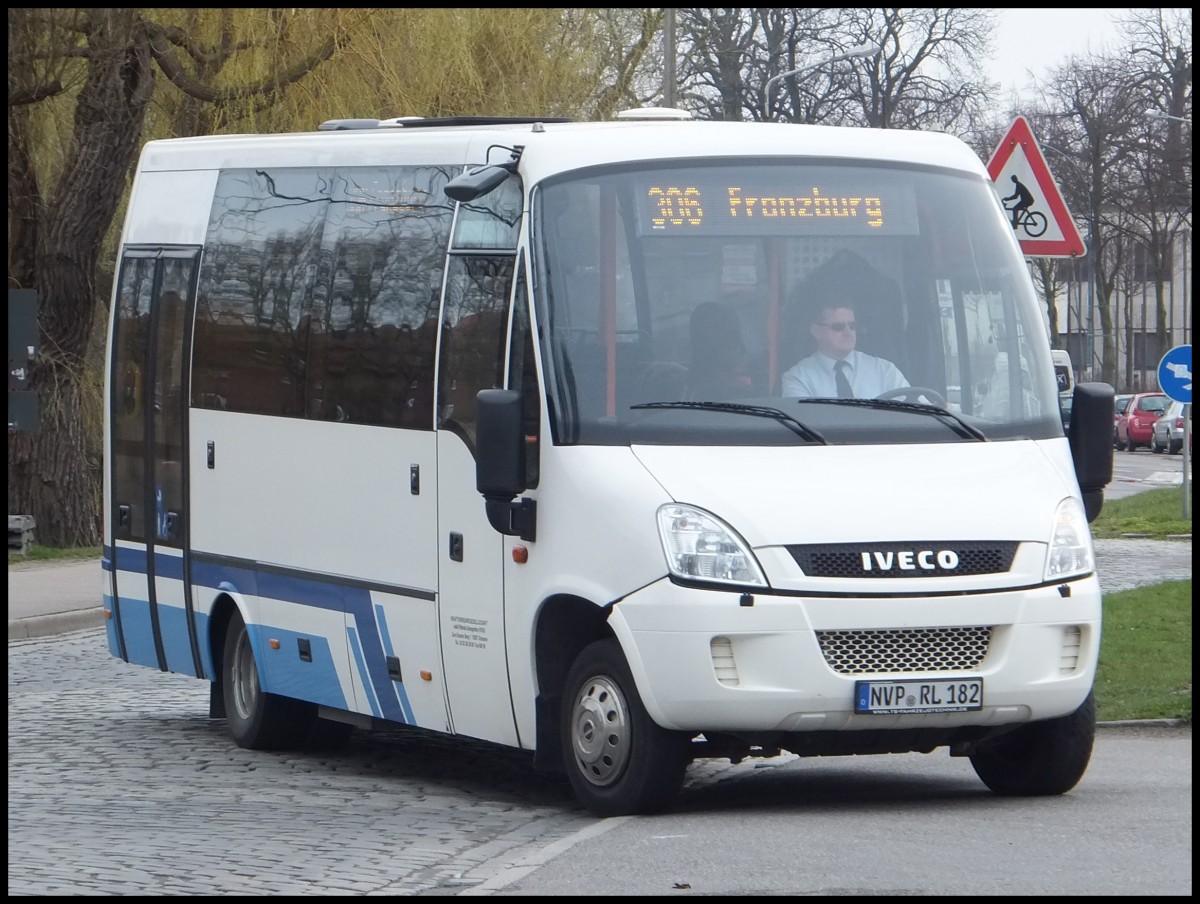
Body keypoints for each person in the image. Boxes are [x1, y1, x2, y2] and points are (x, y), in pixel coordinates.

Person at [781, 302, 908, 399]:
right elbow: (801, 427)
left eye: (852, 326)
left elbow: (918, 412)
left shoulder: (884, 370)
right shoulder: (798, 378)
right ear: (816, 331)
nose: (848, 332)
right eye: (838, 327)